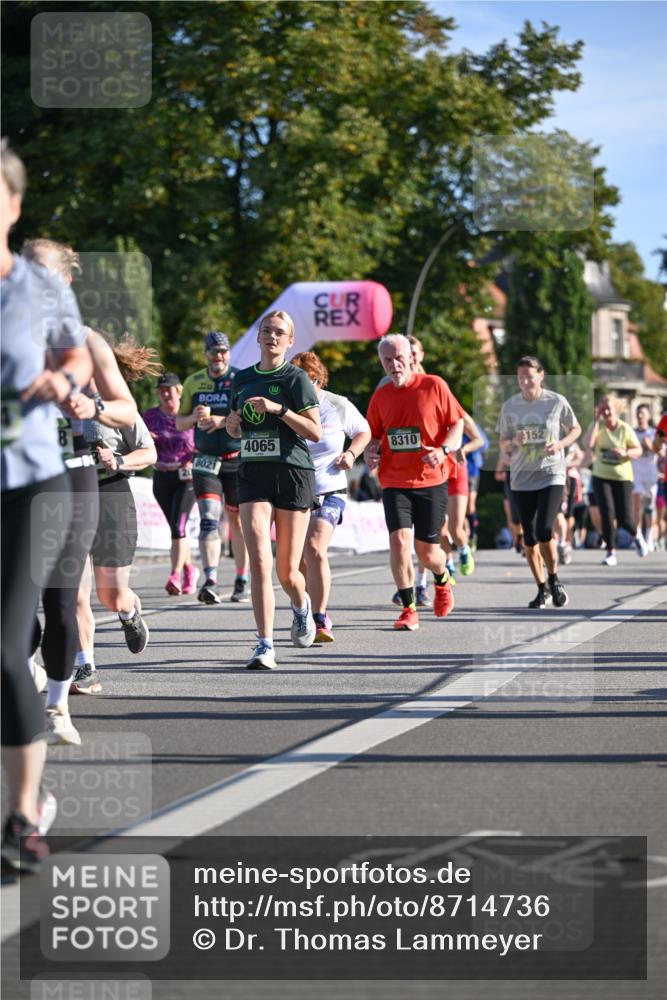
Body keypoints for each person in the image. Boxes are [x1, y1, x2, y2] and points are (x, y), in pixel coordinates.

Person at [1, 139, 92, 870]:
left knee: (5, 649)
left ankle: (24, 817)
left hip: (30, 485)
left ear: (13, 204)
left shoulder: (39, 289)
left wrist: (62, 381)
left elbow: (76, 355)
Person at [22, 238, 139, 742]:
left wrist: (91, 409)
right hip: (17, 477)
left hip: (72, 475)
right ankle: (25, 662)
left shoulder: (86, 342)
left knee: (62, 596)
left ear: (65, 281)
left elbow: (127, 409)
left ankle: (56, 706)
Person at [226, 310, 321, 670]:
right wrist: (233, 424)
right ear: (259, 336)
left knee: (288, 572)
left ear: (290, 340)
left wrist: (278, 409)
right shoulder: (243, 379)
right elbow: (236, 430)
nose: (272, 336)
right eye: (266, 330)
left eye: (279, 332)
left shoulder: (295, 378)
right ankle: (265, 644)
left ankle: (302, 607)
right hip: (252, 473)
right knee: (259, 561)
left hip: (293, 473)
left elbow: (315, 432)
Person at [366, 334, 463, 631]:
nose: (394, 365)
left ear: (411, 357)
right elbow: (373, 434)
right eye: (387, 360)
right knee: (398, 541)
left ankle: (441, 579)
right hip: (395, 479)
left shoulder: (434, 385)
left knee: (428, 553)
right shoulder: (381, 396)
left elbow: (457, 423)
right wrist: (371, 451)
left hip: (432, 479)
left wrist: (444, 449)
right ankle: (409, 608)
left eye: (398, 358)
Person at [291, 351, 370, 642]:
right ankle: (305, 606)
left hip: (330, 488)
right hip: (295, 491)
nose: (303, 387)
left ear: (318, 380)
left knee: (314, 548)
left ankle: (320, 618)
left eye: (309, 381)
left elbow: (364, 431)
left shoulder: (338, 405)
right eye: (297, 381)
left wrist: (351, 453)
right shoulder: (287, 407)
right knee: (296, 559)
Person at [498, 356, 581, 609]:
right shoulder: (510, 406)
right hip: (522, 479)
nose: (524, 380)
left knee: (545, 529)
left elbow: (575, 429)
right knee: (530, 538)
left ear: (541, 375)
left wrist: (560, 444)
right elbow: (503, 444)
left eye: (529, 375)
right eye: (520, 376)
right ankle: (541, 588)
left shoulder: (556, 401)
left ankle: (554, 579)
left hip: (552, 473)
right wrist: (515, 443)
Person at [176, 332, 249, 605]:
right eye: (212, 352)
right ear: (205, 354)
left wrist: (221, 421)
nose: (218, 357)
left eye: (222, 352)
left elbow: (250, 422)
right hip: (205, 459)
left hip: (236, 457)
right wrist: (193, 416)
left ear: (229, 353)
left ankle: (242, 578)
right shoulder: (194, 381)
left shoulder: (240, 379)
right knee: (208, 519)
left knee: (238, 522)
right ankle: (211, 580)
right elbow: (179, 424)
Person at [143, 372, 198, 595]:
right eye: (162, 390)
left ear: (179, 392)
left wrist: (195, 461)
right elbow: (138, 440)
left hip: (187, 477)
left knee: (179, 527)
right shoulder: (150, 416)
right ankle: (190, 568)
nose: (166, 393)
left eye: (170, 389)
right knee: (176, 529)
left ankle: (174, 576)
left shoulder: (188, 414)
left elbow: (201, 442)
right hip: (162, 476)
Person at [583, 394, 649, 566]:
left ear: (616, 410)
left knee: (625, 518)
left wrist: (625, 453)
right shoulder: (598, 427)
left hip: (622, 478)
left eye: (609, 408)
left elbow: (638, 451)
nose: (606, 412)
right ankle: (610, 552)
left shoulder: (625, 429)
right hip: (601, 476)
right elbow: (588, 444)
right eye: (603, 408)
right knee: (607, 514)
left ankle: (637, 535)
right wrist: (596, 421)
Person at [440, 411, 484, 579]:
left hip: (457, 472)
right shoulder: (424, 409)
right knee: (438, 526)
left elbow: (479, 440)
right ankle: (448, 564)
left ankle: (464, 549)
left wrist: (464, 449)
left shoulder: (459, 414)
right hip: (435, 473)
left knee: (455, 528)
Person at [631, 403, 658, 550]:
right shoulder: (631, 433)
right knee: (636, 507)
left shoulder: (654, 433)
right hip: (636, 476)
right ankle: (638, 537)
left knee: (649, 508)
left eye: (643, 413)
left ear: (648, 416)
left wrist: (651, 446)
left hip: (651, 477)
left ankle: (649, 536)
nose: (640, 416)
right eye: (638, 413)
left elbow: (661, 453)